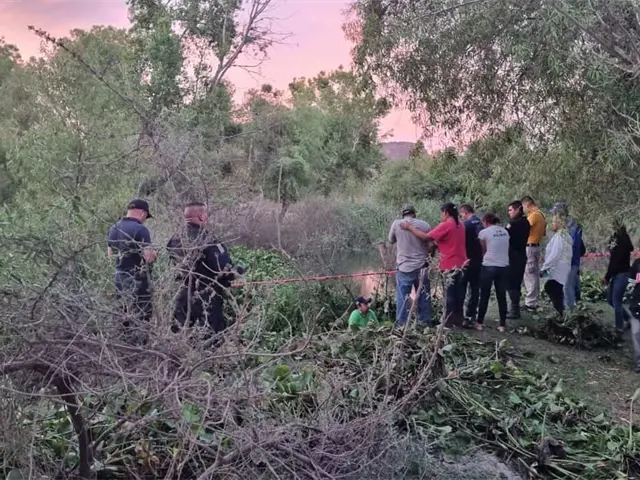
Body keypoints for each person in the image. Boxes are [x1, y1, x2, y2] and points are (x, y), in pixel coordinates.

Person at [167, 202, 241, 336]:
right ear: (201, 216)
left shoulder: (175, 238)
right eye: (206, 214)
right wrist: (236, 272)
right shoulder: (207, 239)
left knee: (179, 334)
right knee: (211, 337)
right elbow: (222, 269)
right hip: (207, 296)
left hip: (183, 294)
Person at [400, 202, 467, 326]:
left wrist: (410, 227)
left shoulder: (446, 225)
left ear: (445, 212)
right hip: (462, 264)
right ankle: (458, 319)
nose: (441, 215)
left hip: (449, 265)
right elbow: (448, 240)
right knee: (459, 293)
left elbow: (426, 237)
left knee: (449, 295)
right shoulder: (461, 225)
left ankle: (447, 323)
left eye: (441, 213)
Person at [107, 199, 157, 332]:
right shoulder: (141, 229)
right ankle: (140, 341)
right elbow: (148, 257)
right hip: (137, 279)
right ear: (142, 213)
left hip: (119, 278)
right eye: (146, 216)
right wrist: (154, 255)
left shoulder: (113, 228)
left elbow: (110, 255)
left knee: (123, 313)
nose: (145, 220)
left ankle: (123, 340)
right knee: (142, 315)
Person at [388, 204, 433, 327]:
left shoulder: (396, 224)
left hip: (404, 267)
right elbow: (431, 245)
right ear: (414, 213)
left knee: (402, 297)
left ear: (403, 214)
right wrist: (429, 258)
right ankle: (424, 323)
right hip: (422, 266)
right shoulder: (425, 225)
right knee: (424, 295)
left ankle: (402, 324)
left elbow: (391, 240)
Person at [475, 213, 510, 332]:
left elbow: (483, 250)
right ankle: (502, 325)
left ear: (485, 221)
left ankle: (479, 322)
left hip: (489, 265)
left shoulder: (483, 233)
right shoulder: (505, 231)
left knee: (484, 295)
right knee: (501, 296)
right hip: (504, 266)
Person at [550, 202, 585, 309]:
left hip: (570, 261)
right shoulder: (568, 225)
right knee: (572, 282)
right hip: (570, 261)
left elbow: (575, 245)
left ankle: (570, 310)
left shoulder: (572, 226)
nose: (554, 216)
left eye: (556, 213)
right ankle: (577, 302)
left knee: (567, 286)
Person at [603, 219, 634, 334]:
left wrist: (607, 277)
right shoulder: (618, 238)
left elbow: (615, 260)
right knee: (611, 300)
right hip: (618, 273)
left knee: (616, 302)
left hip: (621, 274)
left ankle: (619, 328)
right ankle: (629, 319)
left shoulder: (621, 240)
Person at [540, 215, 572, 316]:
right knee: (557, 289)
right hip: (564, 266)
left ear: (559, 223)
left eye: (554, 222)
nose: (552, 224)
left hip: (559, 267)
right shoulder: (566, 235)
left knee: (551, 287)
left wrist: (544, 267)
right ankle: (561, 310)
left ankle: (560, 311)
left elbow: (555, 254)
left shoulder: (560, 236)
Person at [505, 201, 530, 319]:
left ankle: (514, 310)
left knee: (511, 282)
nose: (509, 213)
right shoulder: (526, 222)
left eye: (510, 210)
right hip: (521, 255)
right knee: (516, 282)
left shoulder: (514, 223)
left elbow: (506, 235)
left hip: (513, 256)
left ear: (517, 210)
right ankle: (514, 308)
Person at [459, 204, 483, 324]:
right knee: (475, 288)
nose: (461, 217)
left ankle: (460, 314)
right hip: (478, 260)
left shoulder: (465, 225)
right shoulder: (481, 223)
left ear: (465, 212)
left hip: (466, 260)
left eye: (461, 214)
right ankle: (471, 313)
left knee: (462, 287)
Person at [521, 196, 546, 311]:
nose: (523, 210)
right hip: (535, 246)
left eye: (523, 207)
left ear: (527, 204)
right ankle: (533, 299)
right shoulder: (541, 214)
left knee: (529, 274)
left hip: (530, 247)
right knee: (533, 274)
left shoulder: (534, 215)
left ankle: (530, 302)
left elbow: (525, 228)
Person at [627, 256, 640, 373]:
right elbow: (631, 282)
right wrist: (630, 292)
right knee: (636, 333)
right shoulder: (637, 263)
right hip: (636, 304)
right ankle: (638, 361)